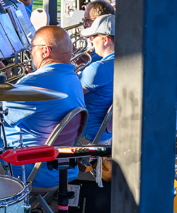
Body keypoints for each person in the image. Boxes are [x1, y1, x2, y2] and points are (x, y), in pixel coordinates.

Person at [3, 26, 85, 188]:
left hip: (28, 169)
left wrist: (8, 86)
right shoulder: (73, 78)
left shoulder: (33, 82)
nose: (30, 53)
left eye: (32, 48)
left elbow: (4, 117)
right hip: (62, 167)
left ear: (45, 51)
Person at [79, 14, 114, 143]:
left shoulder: (99, 67)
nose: (91, 40)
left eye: (93, 36)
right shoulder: (125, 62)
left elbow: (70, 93)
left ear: (105, 40)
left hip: (88, 137)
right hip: (107, 134)